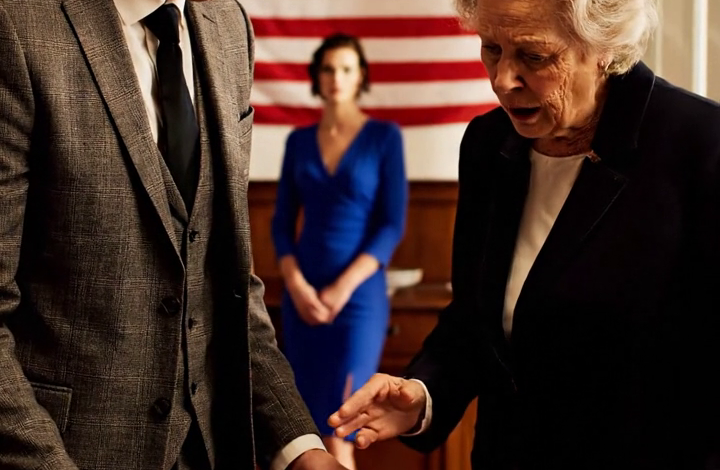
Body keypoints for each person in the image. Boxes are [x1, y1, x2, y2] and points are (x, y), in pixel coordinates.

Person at [329, 0, 720, 468]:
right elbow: (476, 320)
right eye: (491, 49)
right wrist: (423, 395)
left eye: (534, 56)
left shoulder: (701, 143)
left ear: (603, 47)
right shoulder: (487, 143)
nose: (502, 80)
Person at [0, 0, 348, 469]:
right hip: (72, 451)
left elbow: (226, 283)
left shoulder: (229, 24)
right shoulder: (17, 25)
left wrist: (300, 445)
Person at [271, 33, 408, 470]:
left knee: (341, 432)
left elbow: (391, 225)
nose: (336, 78)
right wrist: (296, 286)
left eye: (346, 69)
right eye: (328, 69)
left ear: (360, 76)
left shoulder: (384, 138)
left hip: (358, 300)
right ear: (317, 76)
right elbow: (281, 223)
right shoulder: (298, 141)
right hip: (302, 297)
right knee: (306, 435)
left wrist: (343, 288)